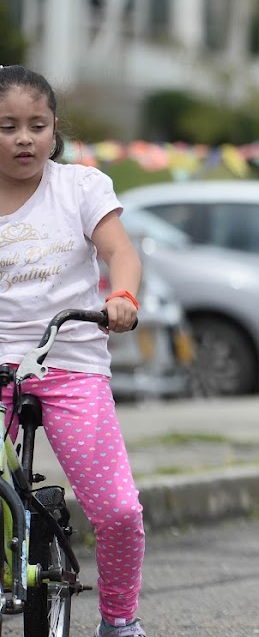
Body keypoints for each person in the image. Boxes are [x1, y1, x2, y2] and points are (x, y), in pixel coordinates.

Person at [0, 65, 150, 637]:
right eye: (8, 126)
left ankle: (119, 620)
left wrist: (123, 296)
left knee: (117, 510)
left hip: (68, 362)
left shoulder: (81, 188)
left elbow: (120, 252)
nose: (23, 139)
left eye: (36, 126)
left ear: (54, 129)